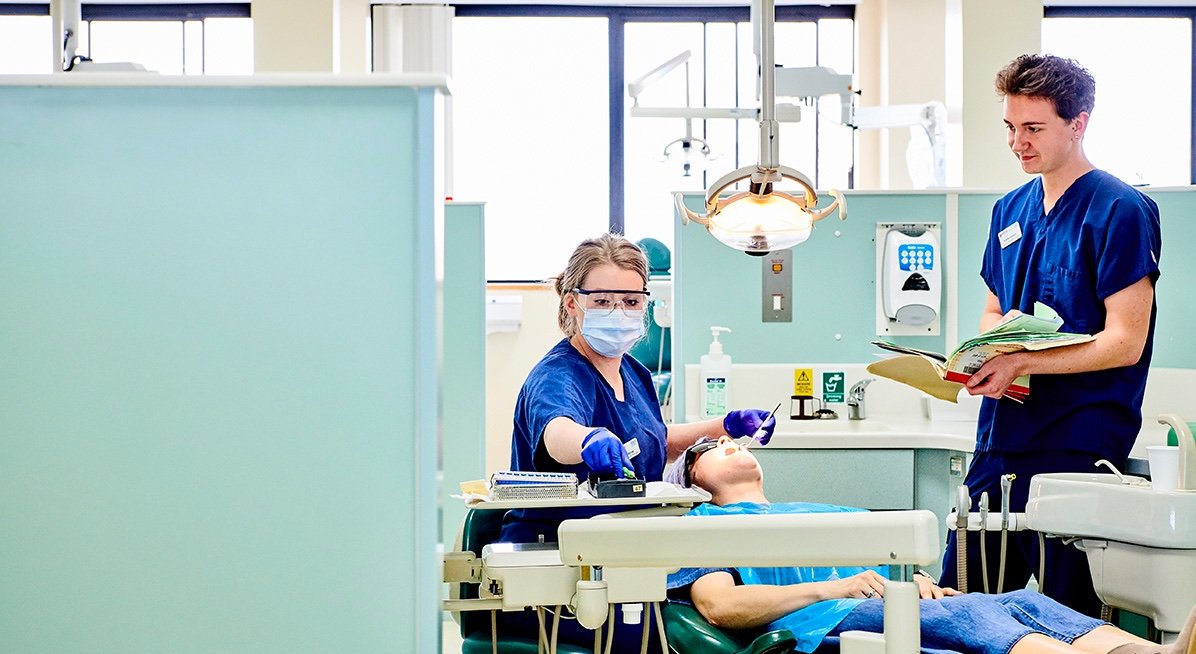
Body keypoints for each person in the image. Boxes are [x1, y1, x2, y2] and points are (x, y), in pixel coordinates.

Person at [942, 54, 1163, 615]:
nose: (1018, 143)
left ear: (1078, 123)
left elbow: (1125, 341)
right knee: (961, 606)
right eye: (1011, 128)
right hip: (1001, 439)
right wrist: (985, 354)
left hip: (1078, 443)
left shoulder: (1121, 209)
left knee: (1071, 619)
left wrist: (1023, 364)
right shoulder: (1008, 210)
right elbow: (994, 310)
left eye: (1033, 129)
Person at [495, 233, 776, 650]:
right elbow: (557, 434)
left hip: (628, 548)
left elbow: (653, 445)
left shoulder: (633, 373)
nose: (619, 312)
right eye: (603, 301)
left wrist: (726, 426)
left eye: (631, 301)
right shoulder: (559, 375)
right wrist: (587, 439)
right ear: (573, 303)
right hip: (569, 563)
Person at [665, 436, 1196, 654]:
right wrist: (838, 586)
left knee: (1019, 601)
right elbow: (719, 606)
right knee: (970, 620)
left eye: (732, 438)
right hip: (819, 622)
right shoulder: (703, 521)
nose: (729, 443)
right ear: (693, 478)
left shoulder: (822, 512)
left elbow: (888, 569)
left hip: (873, 603)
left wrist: (913, 582)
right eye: (710, 448)